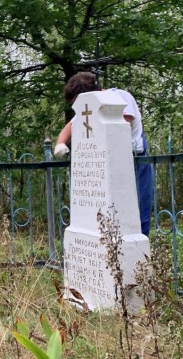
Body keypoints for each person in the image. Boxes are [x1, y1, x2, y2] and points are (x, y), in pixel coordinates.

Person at [54, 71, 154, 236]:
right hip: (105, 164)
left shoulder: (120, 97)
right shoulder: (87, 108)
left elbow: (121, 125)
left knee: (136, 212)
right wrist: (60, 144)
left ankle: (137, 253)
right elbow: (71, 126)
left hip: (133, 161)